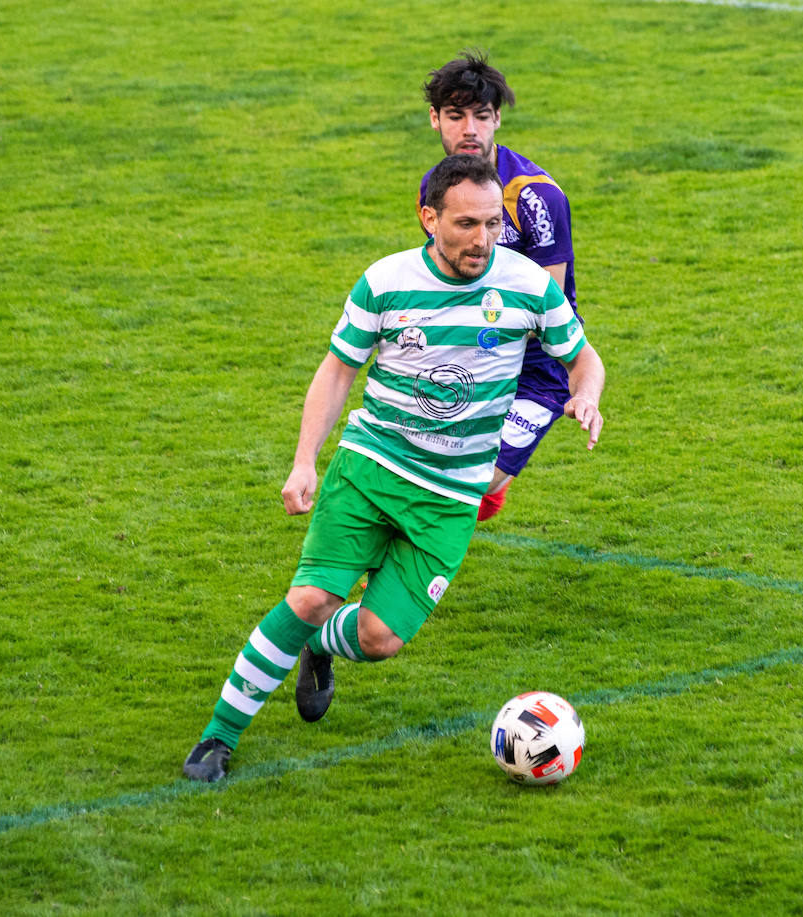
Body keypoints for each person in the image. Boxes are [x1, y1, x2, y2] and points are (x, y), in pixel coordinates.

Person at [183, 154, 605, 781]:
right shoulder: (384, 282)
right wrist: (305, 462)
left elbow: (583, 358)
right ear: (429, 217)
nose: (481, 239)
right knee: (312, 597)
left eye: (492, 224)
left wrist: (587, 394)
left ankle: (319, 649)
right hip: (372, 468)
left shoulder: (527, 285)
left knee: (380, 639)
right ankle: (217, 739)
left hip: (451, 496)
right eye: (466, 224)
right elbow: (337, 373)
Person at [420, 51, 579, 522]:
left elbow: (545, 306)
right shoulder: (435, 190)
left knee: (466, 483)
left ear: (497, 121)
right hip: (470, 346)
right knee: (428, 475)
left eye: (482, 116)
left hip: (537, 363)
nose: (469, 128)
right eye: (455, 115)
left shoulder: (535, 197)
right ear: (435, 120)